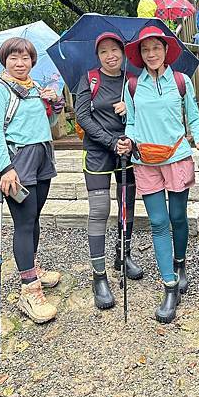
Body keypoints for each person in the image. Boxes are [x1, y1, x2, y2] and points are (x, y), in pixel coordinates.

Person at [117, 26, 199, 323]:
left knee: (178, 218)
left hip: (177, 157)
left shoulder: (181, 81)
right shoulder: (133, 85)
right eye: (145, 50)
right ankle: (169, 287)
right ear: (140, 54)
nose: (151, 54)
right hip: (145, 160)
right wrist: (128, 140)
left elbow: (194, 115)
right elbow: (131, 122)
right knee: (158, 222)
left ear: (165, 50)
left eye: (156, 48)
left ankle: (181, 262)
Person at [0, 37, 65, 324]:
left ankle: (32, 267)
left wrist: (54, 104)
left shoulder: (35, 90)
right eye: (14, 58)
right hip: (18, 163)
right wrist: (5, 169)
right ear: (5, 61)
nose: (20, 63)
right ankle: (29, 291)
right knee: (23, 221)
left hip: (43, 155)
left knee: (35, 216)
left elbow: (51, 125)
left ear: (33, 61)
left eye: (25, 58)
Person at [75, 32, 143, 310]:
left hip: (126, 150)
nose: (110, 55)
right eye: (104, 51)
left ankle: (122, 256)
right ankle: (99, 275)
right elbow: (82, 116)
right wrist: (110, 141)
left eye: (115, 49)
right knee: (100, 210)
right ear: (98, 56)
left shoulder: (133, 81)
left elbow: (144, 114)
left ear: (123, 52)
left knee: (127, 205)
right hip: (98, 153)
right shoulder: (90, 79)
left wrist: (131, 109)